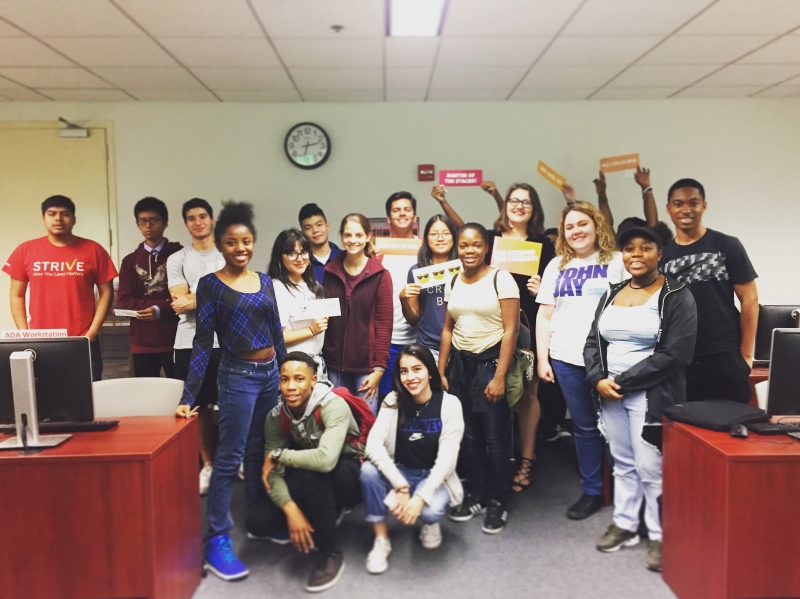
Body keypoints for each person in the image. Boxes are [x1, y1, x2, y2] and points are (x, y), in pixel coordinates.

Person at [175, 201, 286, 582]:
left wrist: (286, 373)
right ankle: (217, 539)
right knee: (230, 457)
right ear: (220, 246)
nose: (241, 248)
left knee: (262, 449)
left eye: (246, 241)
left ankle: (258, 519)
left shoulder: (265, 281)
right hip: (237, 376)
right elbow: (203, 343)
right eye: (232, 242)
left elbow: (276, 332)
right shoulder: (210, 286)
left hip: (271, 374)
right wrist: (189, 397)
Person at [584, 226, 697, 572]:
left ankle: (662, 535)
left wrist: (621, 380)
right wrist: (597, 379)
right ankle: (626, 524)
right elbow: (593, 341)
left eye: (645, 248)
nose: (636, 254)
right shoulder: (612, 291)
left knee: (651, 467)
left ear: (659, 254)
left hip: (650, 394)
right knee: (622, 462)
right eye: (629, 249)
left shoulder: (677, 294)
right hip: (611, 393)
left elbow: (677, 354)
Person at [536, 202, 627, 520]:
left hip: (611, 360)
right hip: (566, 359)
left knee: (618, 428)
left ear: (596, 225)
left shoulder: (617, 262)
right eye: (569, 227)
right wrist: (542, 358)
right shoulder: (556, 266)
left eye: (582, 223)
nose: (576, 231)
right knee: (585, 428)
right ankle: (591, 491)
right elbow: (545, 315)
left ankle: (626, 491)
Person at [258, 352, 363, 593]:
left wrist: (278, 456)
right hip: (309, 468)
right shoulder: (276, 416)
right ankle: (317, 511)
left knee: (314, 476)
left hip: (348, 471)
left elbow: (326, 460)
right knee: (259, 522)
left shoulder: (332, 405)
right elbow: (271, 473)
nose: (291, 387)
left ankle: (331, 554)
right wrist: (290, 509)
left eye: (299, 379)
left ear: (313, 380)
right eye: (284, 380)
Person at [440, 223, 520, 534]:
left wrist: (499, 376)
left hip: (490, 366)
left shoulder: (502, 279)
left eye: (476, 245)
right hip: (460, 367)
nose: (469, 251)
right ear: (457, 248)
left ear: (486, 247)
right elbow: (448, 328)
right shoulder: (453, 282)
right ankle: (476, 493)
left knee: (496, 437)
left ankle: (497, 501)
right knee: (468, 436)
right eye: (463, 245)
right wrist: (441, 368)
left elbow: (511, 331)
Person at [361, 344, 464, 574]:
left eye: (417, 369)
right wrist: (400, 485)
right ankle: (381, 540)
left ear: (430, 371)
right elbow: (373, 446)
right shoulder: (393, 400)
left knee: (429, 511)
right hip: (402, 472)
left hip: (434, 476)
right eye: (404, 371)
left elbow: (447, 461)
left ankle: (430, 524)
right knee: (368, 471)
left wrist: (420, 498)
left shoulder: (450, 404)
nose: (410, 377)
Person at [660, 178, 758, 404]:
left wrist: (746, 355)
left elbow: (749, 299)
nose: (686, 209)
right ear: (669, 209)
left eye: (693, 203)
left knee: (732, 429)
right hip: (682, 359)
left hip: (725, 355)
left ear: (703, 205)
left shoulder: (727, 245)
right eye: (678, 204)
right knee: (689, 432)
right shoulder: (662, 256)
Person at [486, 183, 556, 493]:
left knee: (528, 393)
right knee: (495, 389)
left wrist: (543, 288)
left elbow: (554, 291)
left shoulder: (544, 244)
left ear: (534, 208)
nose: (518, 205)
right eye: (513, 200)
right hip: (493, 325)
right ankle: (499, 458)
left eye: (525, 201)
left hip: (529, 323)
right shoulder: (491, 241)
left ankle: (527, 457)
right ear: (505, 205)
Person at [3, 195, 117, 382]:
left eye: (65, 214)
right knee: (45, 398)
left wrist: (93, 332)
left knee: (88, 399)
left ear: (73, 219)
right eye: (52, 214)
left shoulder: (93, 250)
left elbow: (106, 293)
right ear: (43, 219)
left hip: (83, 340)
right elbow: (17, 296)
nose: (58, 219)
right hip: (41, 341)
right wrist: (24, 334)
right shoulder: (25, 250)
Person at [168, 198, 226, 495]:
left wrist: (195, 296)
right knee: (197, 407)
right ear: (186, 223)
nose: (198, 222)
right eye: (191, 218)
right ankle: (208, 465)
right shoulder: (178, 259)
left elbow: (237, 297)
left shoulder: (229, 250)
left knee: (232, 404)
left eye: (203, 216)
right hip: (189, 342)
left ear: (212, 220)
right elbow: (179, 303)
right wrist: (217, 293)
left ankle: (231, 462)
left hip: (228, 342)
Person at [322, 214, 392, 413]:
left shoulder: (381, 275)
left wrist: (379, 368)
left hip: (367, 368)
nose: (353, 240)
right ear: (341, 237)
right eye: (348, 235)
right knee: (336, 423)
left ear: (368, 236)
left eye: (359, 235)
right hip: (335, 366)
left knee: (366, 425)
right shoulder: (330, 272)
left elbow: (384, 325)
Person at [117, 197, 182, 378]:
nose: (148, 225)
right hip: (142, 341)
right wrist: (159, 306)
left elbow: (189, 296)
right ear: (138, 225)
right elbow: (123, 300)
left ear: (165, 222)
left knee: (180, 396)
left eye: (154, 220)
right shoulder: (130, 261)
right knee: (146, 397)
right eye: (143, 221)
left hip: (176, 339)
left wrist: (158, 309)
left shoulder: (181, 255)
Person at [378, 192, 421, 398]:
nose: (402, 214)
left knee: (416, 395)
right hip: (387, 338)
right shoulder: (378, 250)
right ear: (388, 217)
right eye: (396, 210)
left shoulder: (424, 248)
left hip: (419, 338)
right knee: (386, 395)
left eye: (407, 210)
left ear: (414, 216)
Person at [399, 214, 459, 362]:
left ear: (454, 237)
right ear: (426, 238)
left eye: (446, 233)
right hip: (428, 347)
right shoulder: (417, 271)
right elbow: (413, 319)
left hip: (462, 346)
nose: (440, 238)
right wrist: (403, 299)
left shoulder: (465, 268)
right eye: (434, 234)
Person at [267, 228, 328, 375]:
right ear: (280, 256)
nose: (300, 259)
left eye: (304, 252)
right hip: (292, 367)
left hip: (316, 364)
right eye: (292, 253)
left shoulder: (314, 285)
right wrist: (311, 330)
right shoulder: (277, 288)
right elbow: (276, 337)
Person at [299, 203, 341, 283]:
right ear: (302, 233)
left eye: (319, 225)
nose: (315, 230)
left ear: (327, 226)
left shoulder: (345, 258)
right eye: (308, 228)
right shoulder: (300, 264)